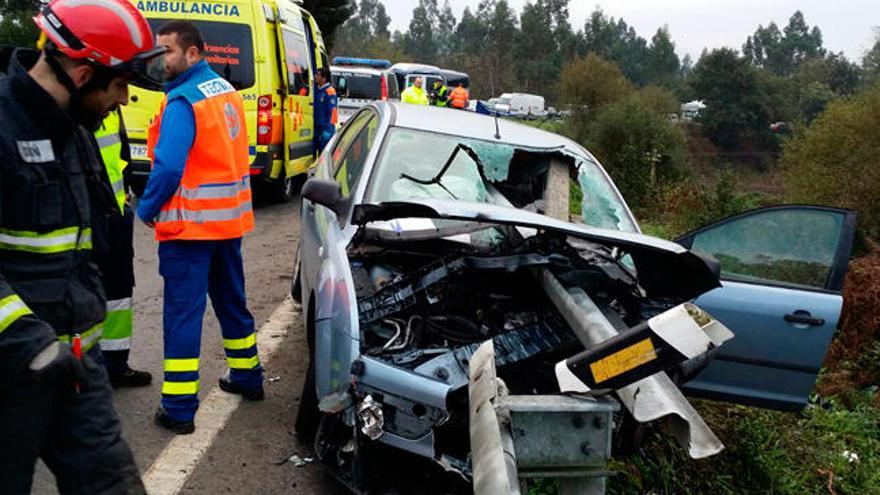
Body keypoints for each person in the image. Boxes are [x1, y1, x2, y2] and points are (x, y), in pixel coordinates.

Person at [0, 0, 164, 492]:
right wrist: (29, 341)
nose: (125, 100)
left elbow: (81, 248)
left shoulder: (76, 132)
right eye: (119, 86)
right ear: (81, 71)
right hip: (11, 375)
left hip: (75, 367)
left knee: (113, 483)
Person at [137, 20, 263, 435]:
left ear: (193, 54)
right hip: (227, 224)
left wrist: (146, 208)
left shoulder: (183, 101)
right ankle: (248, 377)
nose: (161, 60)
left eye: (167, 51)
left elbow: (169, 166)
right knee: (231, 303)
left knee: (182, 316)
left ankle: (177, 407)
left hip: (190, 229)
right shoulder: (224, 91)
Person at [94, 110, 152, 388]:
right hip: (89, 216)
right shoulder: (74, 104)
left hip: (116, 214)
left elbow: (123, 153)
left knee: (118, 291)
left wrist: (129, 195)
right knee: (89, 292)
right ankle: (88, 369)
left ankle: (115, 365)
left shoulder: (110, 106)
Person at [313, 66, 337, 153]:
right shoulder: (316, 90)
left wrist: (329, 129)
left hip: (325, 128)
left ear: (324, 78)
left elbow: (333, 111)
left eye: (318, 75)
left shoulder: (330, 91)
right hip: (316, 127)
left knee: (324, 154)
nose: (316, 76)